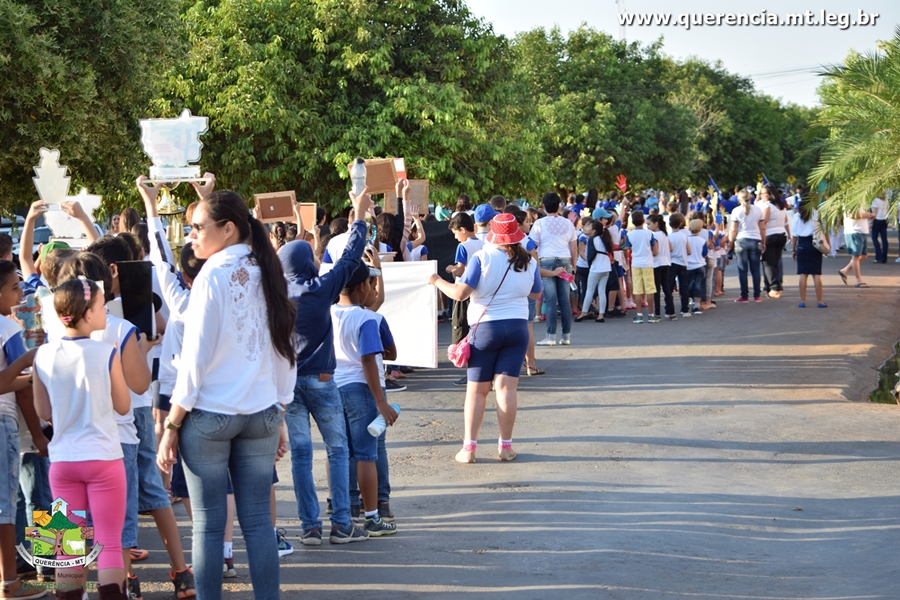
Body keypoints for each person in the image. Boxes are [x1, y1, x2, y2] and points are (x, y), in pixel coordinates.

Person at [156, 190, 297, 600]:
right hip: (262, 413)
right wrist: (281, 410)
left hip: (211, 416)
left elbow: (194, 359)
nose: (191, 236)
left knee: (208, 525)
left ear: (228, 228)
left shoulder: (213, 275)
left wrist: (172, 422)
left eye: (198, 227)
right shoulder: (265, 269)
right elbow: (285, 351)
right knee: (257, 522)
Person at [279, 187, 371, 546]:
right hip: (322, 381)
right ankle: (342, 524)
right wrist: (359, 214)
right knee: (337, 449)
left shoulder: (276, 295)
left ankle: (310, 527)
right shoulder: (321, 287)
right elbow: (349, 258)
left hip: (289, 386)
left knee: (301, 456)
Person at [32, 278, 131, 600]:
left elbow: (43, 410)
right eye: (102, 305)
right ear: (87, 313)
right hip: (104, 457)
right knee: (109, 541)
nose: (105, 310)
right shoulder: (106, 353)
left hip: (63, 461)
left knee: (66, 543)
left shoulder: (43, 355)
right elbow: (123, 405)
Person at [428, 213, 542, 463]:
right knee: (506, 389)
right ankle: (506, 446)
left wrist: (436, 281)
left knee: (477, 392)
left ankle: (469, 449)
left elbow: (460, 294)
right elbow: (535, 294)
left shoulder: (482, 258)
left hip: (485, 330)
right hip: (517, 329)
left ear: (494, 233)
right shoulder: (530, 262)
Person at [331, 262, 399, 536]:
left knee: (340, 452)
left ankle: (344, 511)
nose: (373, 290)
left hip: (332, 389)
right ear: (362, 286)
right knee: (367, 454)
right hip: (363, 390)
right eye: (371, 284)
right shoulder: (368, 319)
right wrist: (380, 401)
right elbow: (372, 358)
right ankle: (373, 515)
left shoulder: (328, 313)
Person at [529, 193, 577, 346]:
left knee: (550, 300)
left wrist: (536, 264)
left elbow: (532, 245)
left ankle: (550, 336)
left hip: (546, 261)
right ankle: (566, 336)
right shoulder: (568, 223)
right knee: (564, 301)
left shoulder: (539, 224)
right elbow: (574, 246)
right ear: (559, 206)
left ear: (543, 206)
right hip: (565, 261)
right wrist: (573, 266)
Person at [728, 190, 765, 303]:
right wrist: (764, 242)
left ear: (739, 199)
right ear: (750, 198)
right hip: (756, 240)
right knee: (756, 270)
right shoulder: (758, 210)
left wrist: (730, 242)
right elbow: (762, 228)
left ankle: (744, 296)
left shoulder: (736, 211)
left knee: (742, 270)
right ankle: (757, 295)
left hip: (741, 241)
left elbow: (733, 230)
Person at [575, 218, 613, 322]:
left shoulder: (592, 239)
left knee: (589, 290)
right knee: (601, 290)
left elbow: (590, 254)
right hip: (606, 266)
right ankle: (601, 314)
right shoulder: (604, 238)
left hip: (596, 267)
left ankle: (584, 312)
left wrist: (590, 263)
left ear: (594, 230)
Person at [623, 211, 658, 324]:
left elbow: (627, 247)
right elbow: (655, 250)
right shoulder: (649, 234)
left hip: (636, 263)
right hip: (648, 263)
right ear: (643, 221)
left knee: (637, 290)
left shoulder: (629, 234)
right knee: (650, 290)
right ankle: (651, 315)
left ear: (633, 222)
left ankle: (639, 315)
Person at [791, 201, 826, 308]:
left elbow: (794, 235)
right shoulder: (817, 214)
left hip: (802, 244)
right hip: (814, 244)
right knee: (816, 274)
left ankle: (803, 301)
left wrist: (793, 250)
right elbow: (823, 230)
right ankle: (820, 301)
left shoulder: (797, 216)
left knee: (803, 274)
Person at [758, 184, 790, 299]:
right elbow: (786, 221)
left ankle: (774, 287)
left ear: (770, 194)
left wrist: (761, 237)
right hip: (781, 235)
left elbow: (764, 221)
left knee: (768, 263)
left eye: (763, 193)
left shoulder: (767, 206)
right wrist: (789, 235)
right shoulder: (780, 206)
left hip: (770, 235)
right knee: (775, 261)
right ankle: (772, 286)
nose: (761, 196)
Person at [839, 206, 874, 288]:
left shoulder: (862, 200)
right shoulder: (850, 200)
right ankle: (858, 280)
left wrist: (870, 215)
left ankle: (845, 270)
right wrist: (866, 215)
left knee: (864, 255)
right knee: (856, 256)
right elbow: (851, 215)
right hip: (854, 231)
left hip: (862, 231)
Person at [648, 215, 675, 320]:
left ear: (656, 223)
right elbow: (671, 248)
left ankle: (657, 312)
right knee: (667, 288)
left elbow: (655, 252)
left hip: (657, 263)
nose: (648, 226)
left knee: (656, 289)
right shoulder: (664, 235)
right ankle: (671, 311)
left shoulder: (654, 236)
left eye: (649, 224)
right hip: (666, 262)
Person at [870, 193, 888, 263]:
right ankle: (884, 257)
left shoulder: (876, 200)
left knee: (874, 238)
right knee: (884, 239)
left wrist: (870, 222)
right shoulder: (886, 200)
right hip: (884, 220)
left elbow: (874, 212)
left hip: (877, 220)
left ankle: (879, 256)